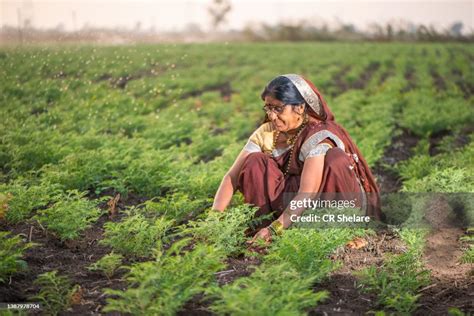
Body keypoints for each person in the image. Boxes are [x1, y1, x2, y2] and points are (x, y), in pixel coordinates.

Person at [212, 74, 383, 244]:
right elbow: (231, 178)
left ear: (300, 108)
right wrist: (213, 220)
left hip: (317, 204)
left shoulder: (317, 135)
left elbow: (307, 193)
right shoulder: (267, 132)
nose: (272, 116)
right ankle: (262, 230)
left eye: (278, 108)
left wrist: (275, 229)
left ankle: (341, 231)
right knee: (255, 162)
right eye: (268, 108)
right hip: (285, 203)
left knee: (335, 159)